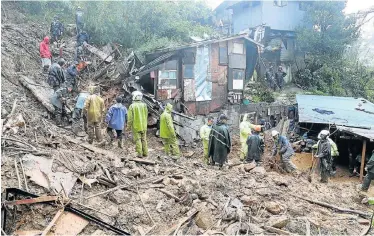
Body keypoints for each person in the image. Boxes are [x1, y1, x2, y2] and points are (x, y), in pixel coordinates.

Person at [127, 91, 148, 158]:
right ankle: (145, 153)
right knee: (144, 139)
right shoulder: (144, 105)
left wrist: (128, 127)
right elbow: (146, 115)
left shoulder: (132, 106)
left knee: (138, 140)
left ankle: (140, 154)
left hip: (136, 126)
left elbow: (130, 118)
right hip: (144, 126)